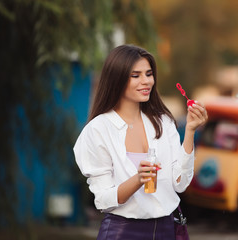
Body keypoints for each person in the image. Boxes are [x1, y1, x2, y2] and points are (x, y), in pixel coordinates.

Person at [73, 44, 208, 239]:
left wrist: (189, 131)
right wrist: (138, 179)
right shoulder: (97, 130)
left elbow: (180, 184)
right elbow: (103, 200)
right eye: (135, 75)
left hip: (166, 229)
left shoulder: (163, 122)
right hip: (123, 231)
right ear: (116, 79)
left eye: (149, 74)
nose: (146, 81)